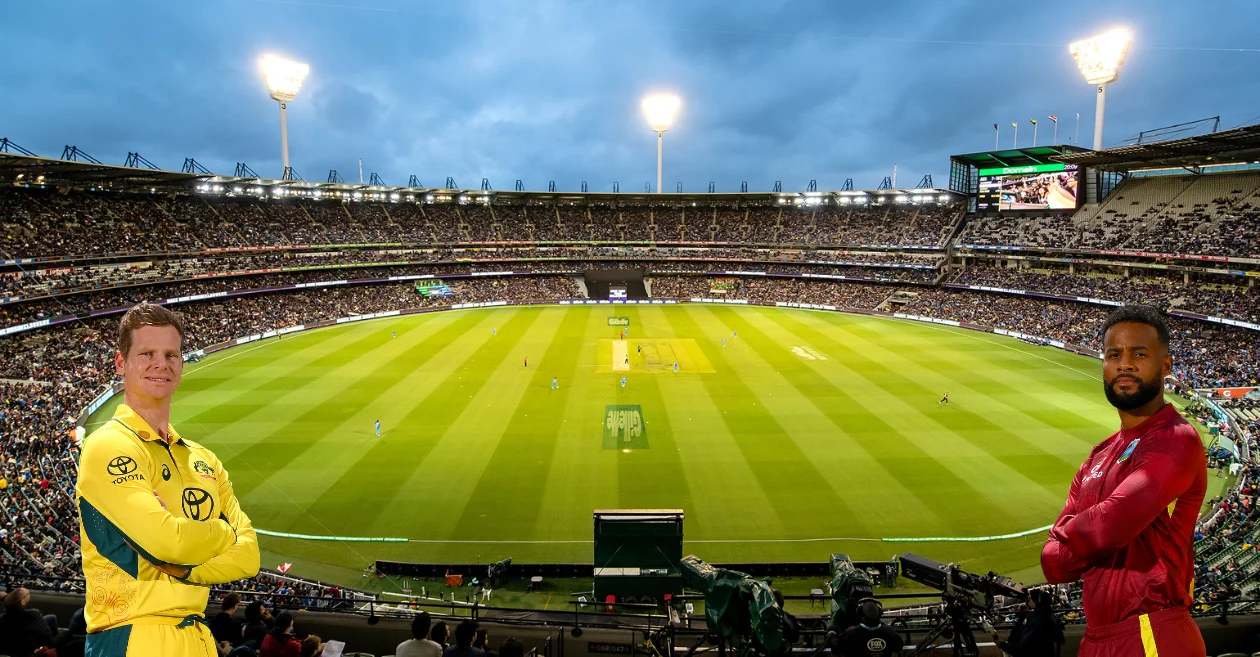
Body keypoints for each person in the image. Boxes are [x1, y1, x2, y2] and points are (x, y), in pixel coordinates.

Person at [76, 303, 261, 656]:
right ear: (121, 363)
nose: (161, 363)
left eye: (171, 354)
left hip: (197, 636)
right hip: (133, 635)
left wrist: (183, 565)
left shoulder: (204, 459)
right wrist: (223, 534)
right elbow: (167, 543)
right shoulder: (108, 445)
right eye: (146, 353)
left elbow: (249, 557)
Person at [1042, 306, 1207, 657]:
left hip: (1152, 633)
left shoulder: (1176, 438)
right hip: (1096, 638)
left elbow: (1108, 528)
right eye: (1114, 354)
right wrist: (1092, 528)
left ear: (1165, 366)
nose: (1124, 364)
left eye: (1139, 354)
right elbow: (1052, 563)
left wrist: (1069, 529)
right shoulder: (1098, 456)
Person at [989, 589, 1064, 657]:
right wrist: (1022, 616)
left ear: (1037, 602)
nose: (1028, 600)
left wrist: (1002, 645)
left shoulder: (1037, 622)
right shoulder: (1048, 616)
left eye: (1030, 598)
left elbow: (1021, 649)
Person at [0, 587, 57, 657]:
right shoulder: (34, 614)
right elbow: (46, 637)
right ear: (22, 602)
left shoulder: (3, 616)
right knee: (56, 622)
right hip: (31, 648)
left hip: (12, 647)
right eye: (28, 594)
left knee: (51, 618)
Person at [838, 598, 902, 657]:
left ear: (860, 614)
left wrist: (831, 632)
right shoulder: (890, 632)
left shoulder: (850, 634)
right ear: (879, 613)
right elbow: (898, 648)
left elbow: (836, 649)